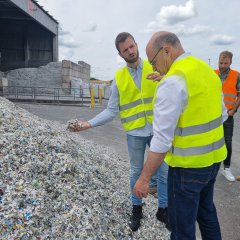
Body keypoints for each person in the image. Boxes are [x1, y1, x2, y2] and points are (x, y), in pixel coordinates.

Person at [67, 32, 169, 231]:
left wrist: (164, 77)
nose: (131, 51)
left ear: (136, 44)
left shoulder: (154, 66)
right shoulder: (119, 78)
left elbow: (172, 84)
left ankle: (163, 209)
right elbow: (112, 110)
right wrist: (89, 123)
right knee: (135, 172)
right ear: (120, 54)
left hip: (158, 130)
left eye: (132, 46)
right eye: (125, 50)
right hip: (135, 134)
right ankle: (136, 209)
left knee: (164, 171)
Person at [134, 31, 228, 239]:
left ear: (166, 51)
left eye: (153, 61)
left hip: (187, 169)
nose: (153, 67)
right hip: (213, 162)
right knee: (207, 214)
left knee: (181, 228)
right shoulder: (206, 71)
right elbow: (222, 115)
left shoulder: (172, 84)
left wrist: (144, 178)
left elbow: (161, 140)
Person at [214, 51, 240, 182]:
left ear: (230, 62)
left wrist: (233, 110)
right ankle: (211, 167)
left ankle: (226, 168)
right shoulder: (212, 74)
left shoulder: (236, 75)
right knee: (211, 141)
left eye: (225, 63)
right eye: (220, 62)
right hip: (213, 115)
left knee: (227, 142)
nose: (222, 65)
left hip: (228, 115)